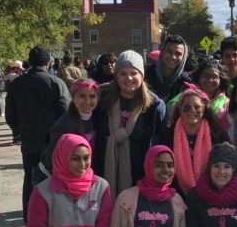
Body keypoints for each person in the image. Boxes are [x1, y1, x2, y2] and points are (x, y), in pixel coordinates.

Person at [5, 46, 70, 223]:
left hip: (29, 141)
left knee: (31, 181)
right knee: (55, 180)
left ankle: (30, 219)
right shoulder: (56, 83)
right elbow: (66, 112)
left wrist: (20, 131)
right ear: (49, 63)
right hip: (53, 142)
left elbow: (10, 115)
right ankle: (54, 219)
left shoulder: (17, 84)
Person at [98, 51, 166, 199]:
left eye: (134, 73)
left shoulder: (154, 106)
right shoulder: (101, 98)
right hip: (104, 168)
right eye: (122, 73)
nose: (128, 78)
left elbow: (160, 140)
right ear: (116, 75)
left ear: (141, 75)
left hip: (139, 173)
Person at [164, 87, 226, 195]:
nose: (192, 111)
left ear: (204, 108)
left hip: (212, 192)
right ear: (180, 108)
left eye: (197, 107)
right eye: (187, 107)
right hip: (175, 194)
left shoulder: (217, 134)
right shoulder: (168, 134)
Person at [38, 79, 102, 179]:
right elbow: (53, 158)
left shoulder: (97, 117)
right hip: (53, 176)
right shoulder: (65, 125)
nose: (87, 101)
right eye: (82, 96)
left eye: (92, 96)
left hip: (77, 171)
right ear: (72, 97)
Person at [145, 34, 189, 103]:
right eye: (169, 51)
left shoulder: (186, 83)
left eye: (178, 54)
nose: (173, 57)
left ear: (183, 57)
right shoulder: (146, 75)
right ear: (162, 52)